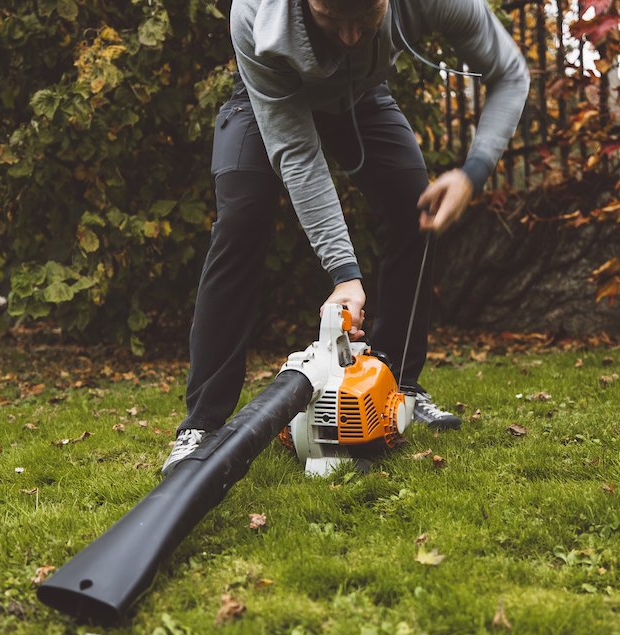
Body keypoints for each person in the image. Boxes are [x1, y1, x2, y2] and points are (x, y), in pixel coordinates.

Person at [163, 0, 529, 475]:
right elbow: (297, 151)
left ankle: (397, 387)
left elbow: (510, 73)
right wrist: (345, 275)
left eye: (365, 19)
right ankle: (202, 426)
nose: (353, 36)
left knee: (414, 202)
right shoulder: (255, 14)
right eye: (334, 20)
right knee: (242, 218)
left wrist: (474, 172)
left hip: (360, 95)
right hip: (268, 96)